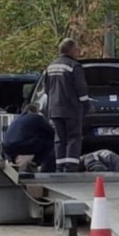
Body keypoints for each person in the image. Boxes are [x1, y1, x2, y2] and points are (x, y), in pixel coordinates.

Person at [43, 38, 91, 173]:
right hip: (71, 109)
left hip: (54, 109)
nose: (78, 51)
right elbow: (81, 89)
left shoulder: (51, 66)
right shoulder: (74, 66)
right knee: (73, 137)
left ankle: (60, 167)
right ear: (70, 50)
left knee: (59, 138)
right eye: (76, 49)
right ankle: (70, 167)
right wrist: (86, 105)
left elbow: (46, 89)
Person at [0, 102, 56, 173]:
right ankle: (34, 162)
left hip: (7, 148)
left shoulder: (16, 119)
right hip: (22, 145)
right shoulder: (37, 117)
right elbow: (51, 132)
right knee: (49, 142)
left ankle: (14, 161)